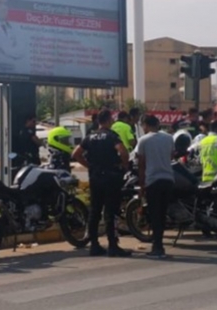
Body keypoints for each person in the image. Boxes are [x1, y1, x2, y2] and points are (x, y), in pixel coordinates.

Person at [72, 109, 131, 257]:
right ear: (109, 120)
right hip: (111, 178)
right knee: (111, 212)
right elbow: (123, 152)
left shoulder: (89, 137)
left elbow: (75, 154)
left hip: (95, 178)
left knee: (95, 211)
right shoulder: (111, 136)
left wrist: (89, 166)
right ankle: (112, 245)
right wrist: (124, 166)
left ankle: (94, 245)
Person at [136, 115, 175, 259]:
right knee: (162, 214)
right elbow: (171, 156)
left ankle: (157, 247)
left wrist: (142, 184)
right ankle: (159, 245)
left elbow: (141, 164)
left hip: (153, 181)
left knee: (155, 215)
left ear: (145, 125)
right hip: (168, 179)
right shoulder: (169, 138)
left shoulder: (143, 140)